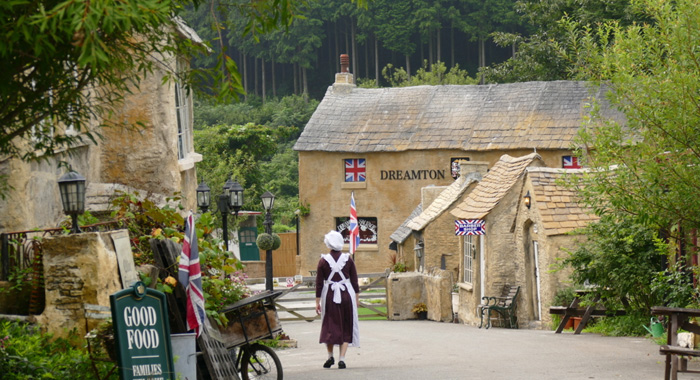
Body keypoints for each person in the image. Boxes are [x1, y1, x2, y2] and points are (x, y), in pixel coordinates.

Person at [315, 230, 360, 369]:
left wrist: (317, 302)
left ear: (329, 244)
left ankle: (330, 357)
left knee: (330, 326)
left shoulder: (323, 261)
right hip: (346, 295)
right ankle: (342, 359)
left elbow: (319, 283)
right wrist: (356, 299)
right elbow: (354, 281)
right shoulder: (348, 259)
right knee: (346, 324)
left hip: (329, 296)